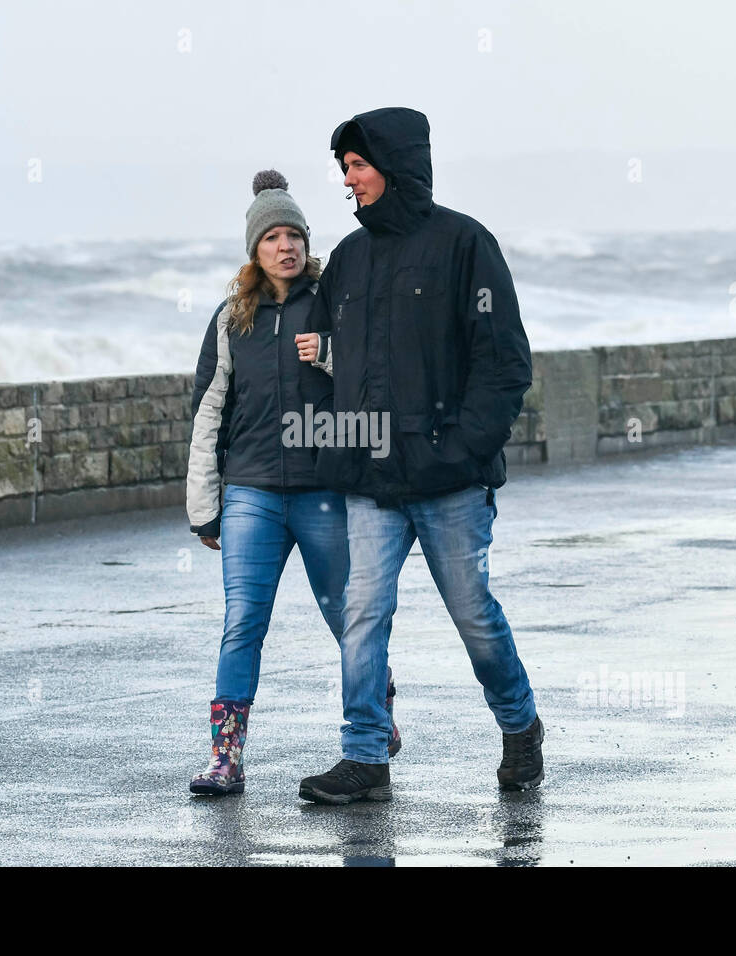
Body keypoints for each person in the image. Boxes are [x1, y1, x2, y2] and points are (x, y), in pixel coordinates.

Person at [297, 108, 543, 805]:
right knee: (362, 615)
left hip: (449, 481)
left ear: (394, 164)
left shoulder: (466, 245)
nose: (349, 181)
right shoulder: (346, 258)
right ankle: (364, 756)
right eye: (343, 169)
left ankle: (521, 726)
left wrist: (458, 449)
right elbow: (324, 364)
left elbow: (504, 365)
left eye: (357, 166)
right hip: (369, 479)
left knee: (472, 613)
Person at [185, 170, 401, 796]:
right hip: (250, 490)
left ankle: (377, 709)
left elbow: (377, 375)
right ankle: (226, 755)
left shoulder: (334, 300)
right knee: (243, 620)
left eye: (295, 235)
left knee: (347, 615)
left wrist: (331, 352)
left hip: (321, 485)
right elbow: (207, 411)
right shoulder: (232, 319)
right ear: (255, 249)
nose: (286, 246)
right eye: (273, 236)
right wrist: (205, 505)